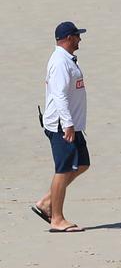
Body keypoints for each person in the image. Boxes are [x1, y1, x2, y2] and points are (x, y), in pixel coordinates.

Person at [32, 21, 89, 233]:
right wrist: (67, 124)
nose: (80, 39)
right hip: (61, 125)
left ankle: (47, 201)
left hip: (71, 124)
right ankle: (56, 218)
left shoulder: (67, 59)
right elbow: (59, 96)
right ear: (67, 38)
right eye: (77, 36)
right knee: (63, 169)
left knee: (82, 163)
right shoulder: (59, 62)